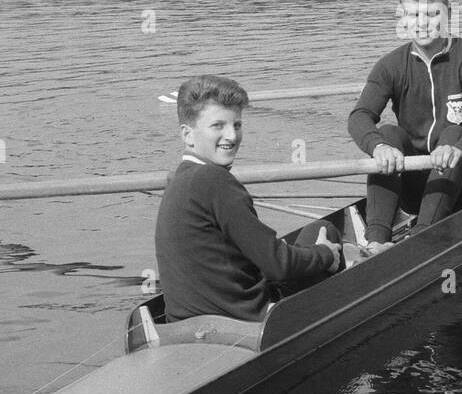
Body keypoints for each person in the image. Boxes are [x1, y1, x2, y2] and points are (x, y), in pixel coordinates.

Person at [140, 74, 342, 352]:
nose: (232, 136)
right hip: (243, 328)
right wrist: (327, 254)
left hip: (181, 327)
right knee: (324, 230)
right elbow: (277, 265)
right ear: (187, 134)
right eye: (218, 126)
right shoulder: (214, 180)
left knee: (305, 245)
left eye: (237, 125)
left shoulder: (177, 179)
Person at [348, 0, 462, 250]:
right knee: (388, 134)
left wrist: (460, 149)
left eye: (431, 14)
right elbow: (359, 116)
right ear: (403, 18)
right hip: (421, 184)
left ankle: (420, 241)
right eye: (413, 15)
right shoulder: (390, 65)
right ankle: (375, 243)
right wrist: (377, 146)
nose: (422, 24)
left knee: (454, 132)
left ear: (449, 14)